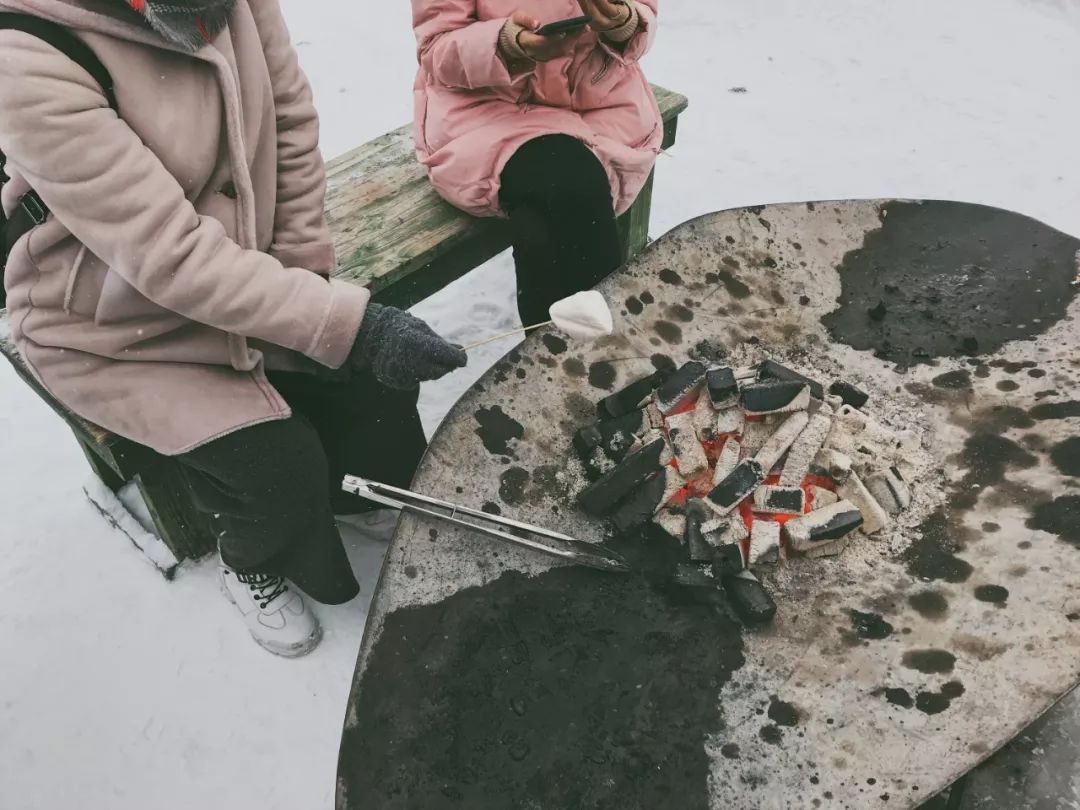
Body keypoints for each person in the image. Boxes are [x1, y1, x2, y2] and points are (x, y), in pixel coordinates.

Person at [0, 0, 466, 657]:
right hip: (116, 328)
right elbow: (166, 253)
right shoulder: (25, 55)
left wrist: (305, 290)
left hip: (249, 273)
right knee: (275, 469)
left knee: (369, 393)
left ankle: (350, 495)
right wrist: (341, 323)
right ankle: (251, 564)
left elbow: (292, 126)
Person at [411, 0, 662, 326]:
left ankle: (564, 360)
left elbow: (643, 12)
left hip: (599, 105)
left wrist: (622, 21)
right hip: (487, 110)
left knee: (541, 222)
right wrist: (507, 45)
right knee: (568, 182)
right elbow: (437, 49)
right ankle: (604, 353)